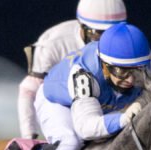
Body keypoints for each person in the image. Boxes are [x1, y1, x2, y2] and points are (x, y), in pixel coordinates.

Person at [0, 22, 151, 150]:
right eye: (122, 72)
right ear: (104, 66)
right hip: (58, 101)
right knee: (70, 142)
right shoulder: (84, 74)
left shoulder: (140, 61)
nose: (131, 80)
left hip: (96, 102)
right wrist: (124, 118)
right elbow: (86, 128)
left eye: (137, 71)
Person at [18, 0, 129, 141]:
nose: (105, 41)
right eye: (98, 33)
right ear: (81, 25)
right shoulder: (54, 43)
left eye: (112, 33)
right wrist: (29, 137)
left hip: (104, 101)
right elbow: (29, 89)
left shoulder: (130, 41)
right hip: (62, 105)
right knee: (70, 143)